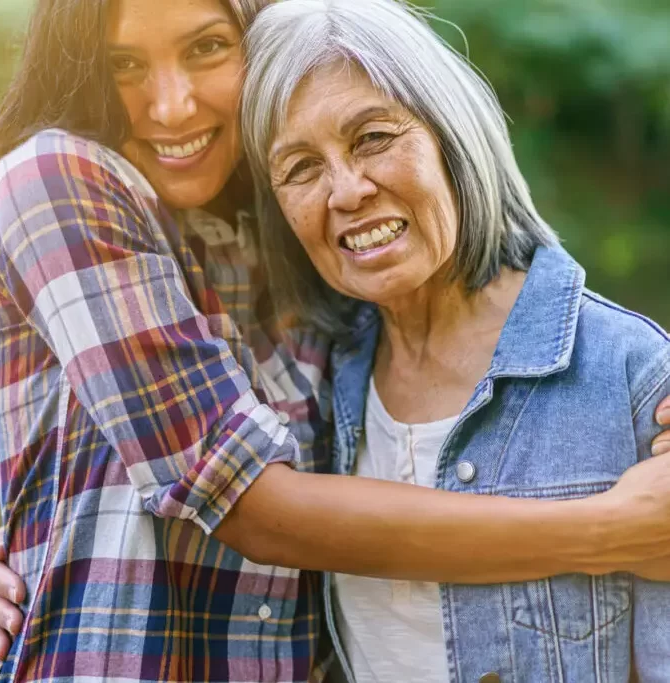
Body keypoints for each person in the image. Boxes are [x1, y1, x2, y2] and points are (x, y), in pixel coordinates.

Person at [0, 0, 670, 681]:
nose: (172, 105)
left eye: (206, 48)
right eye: (123, 64)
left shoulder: (307, 281)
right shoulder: (57, 180)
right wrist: (608, 528)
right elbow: (250, 503)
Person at [238, 0, 670, 680]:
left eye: (373, 137)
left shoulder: (629, 372)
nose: (346, 190)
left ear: (451, 136)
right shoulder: (306, 385)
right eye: (300, 167)